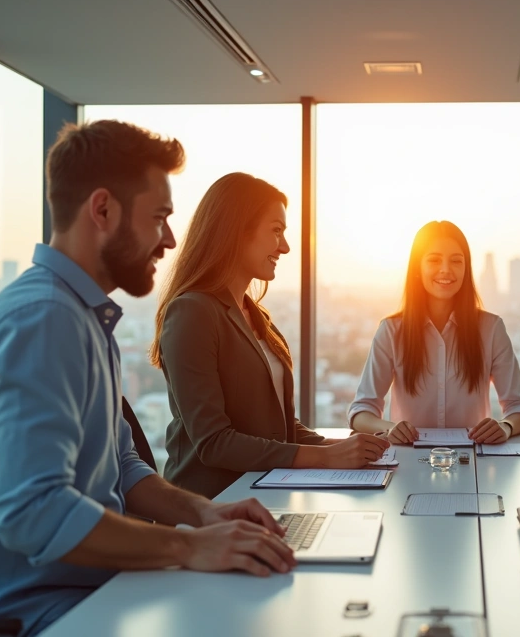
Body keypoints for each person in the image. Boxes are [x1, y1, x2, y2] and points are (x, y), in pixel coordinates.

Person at [0, 121, 297, 636]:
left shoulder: (84, 316)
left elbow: (121, 467)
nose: (169, 238)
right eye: (159, 217)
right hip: (11, 615)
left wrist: (206, 514)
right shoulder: (43, 319)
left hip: (74, 592)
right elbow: (35, 513)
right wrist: (188, 545)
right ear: (102, 210)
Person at [150, 173, 387, 498]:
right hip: (212, 507)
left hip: (264, 496)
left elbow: (279, 428)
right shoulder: (193, 312)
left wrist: (343, 447)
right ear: (236, 232)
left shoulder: (258, 317)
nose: (286, 247)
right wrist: (326, 457)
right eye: (276, 231)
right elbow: (214, 443)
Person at [349, 221, 520, 444]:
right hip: (407, 460)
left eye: (456, 261)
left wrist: (505, 427)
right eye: (434, 260)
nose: (446, 269)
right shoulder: (392, 330)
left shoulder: (491, 328)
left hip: (473, 462)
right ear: (418, 267)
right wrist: (389, 429)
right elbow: (361, 410)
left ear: (466, 268)